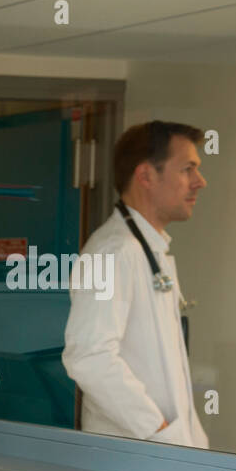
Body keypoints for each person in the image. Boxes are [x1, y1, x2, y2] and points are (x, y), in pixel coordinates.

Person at [62, 120, 208, 448]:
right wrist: (159, 431)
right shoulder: (112, 251)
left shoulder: (144, 247)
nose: (200, 182)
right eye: (188, 169)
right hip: (140, 454)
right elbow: (89, 357)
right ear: (146, 175)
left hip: (161, 456)